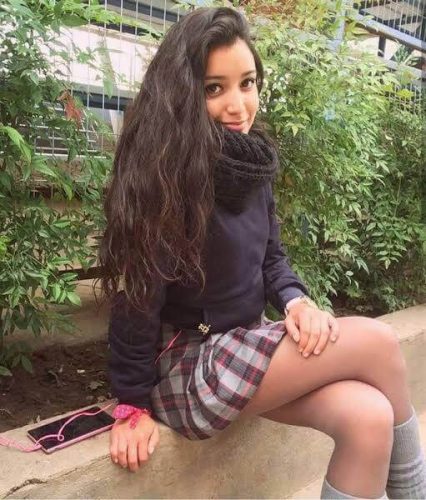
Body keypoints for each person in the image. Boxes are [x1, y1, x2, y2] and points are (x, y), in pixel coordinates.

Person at [99, 7, 425, 499]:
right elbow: (137, 301)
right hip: (189, 365)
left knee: (369, 417)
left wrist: (297, 302)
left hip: (242, 349)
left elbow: (272, 257)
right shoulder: (165, 178)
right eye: (215, 88)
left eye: (247, 83)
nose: (238, 105)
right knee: (378, 343)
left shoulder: (250, 168)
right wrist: (131, 404)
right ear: (182, 94)